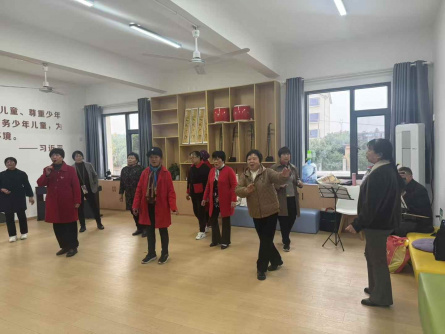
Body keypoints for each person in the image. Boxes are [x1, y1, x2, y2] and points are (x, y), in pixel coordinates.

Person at [346, 139, 404, 307]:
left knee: (377, 259)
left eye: (370, 150)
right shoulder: (385, 168)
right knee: (370, 255)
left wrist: (357, 224)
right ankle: (375, 288)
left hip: (378, 224)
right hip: (380, 221)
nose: (367, 152)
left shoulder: (381, 172)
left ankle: (382, 298)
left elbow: (372, 205)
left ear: (379, 154)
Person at [236, 149, 290, 280]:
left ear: (259, 160)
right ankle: (277, 260)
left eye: (254, 158)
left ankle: (261, 268)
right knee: (265, 240)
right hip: (255, 212)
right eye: (249, 159)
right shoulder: (245, 175)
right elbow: (237, 190)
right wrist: (245, 190)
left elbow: (278, 178)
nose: (251, 161)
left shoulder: (267, 172)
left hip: (270, 211)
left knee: (265, 241)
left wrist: (284, 175)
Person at [133, 147, 178, 265]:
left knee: (163, 230)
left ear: (161, 159)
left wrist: (173, 207)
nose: (153, 159)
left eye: (156, 157)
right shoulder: (145, 172)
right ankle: (151, 253)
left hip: (161, 207)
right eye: (151, 157)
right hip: (147, 207)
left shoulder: (166, 173)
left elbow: (170, 192)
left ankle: (165, 253)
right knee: (150, 231)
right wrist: (135, 205)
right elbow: (139, 190)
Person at [37, 148, 82, 257]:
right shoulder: (47, 169)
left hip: (68, 202)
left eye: (57, 155)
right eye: (52, 155)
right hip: (53, 203)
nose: (54, 157)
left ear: (62, 157)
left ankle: (73, 246)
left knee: (70, 225)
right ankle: (64, 246)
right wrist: (46, 174)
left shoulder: (70, 169)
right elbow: (40, 183)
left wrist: (77, 200)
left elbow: (76, 186)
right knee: (57, 225)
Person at [202, 151, 237, 250]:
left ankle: (225, 241)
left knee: (225, 220)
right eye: (214, 159)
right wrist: (204, 198)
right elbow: (208, 185)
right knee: (213, 219)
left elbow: (234, 185)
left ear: (223, 160)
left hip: (225, 200)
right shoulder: (212, 171)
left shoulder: (229, 170)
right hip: (214, 200)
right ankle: (216, 239)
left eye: (218, 159)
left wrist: (233, 199)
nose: (215, 161)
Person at [271, 147, 303, 252]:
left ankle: (285, 234)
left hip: (293, 197)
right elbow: (270, 184)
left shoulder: (293, 167)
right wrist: (279, 186)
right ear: (279, 156)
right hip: (281, 199)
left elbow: (297, 178)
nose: (286, 156)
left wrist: (299, 182)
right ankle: (286, 242)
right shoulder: (274, 168)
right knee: (284, 221)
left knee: (292, 218)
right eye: (284, 154)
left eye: (288, 154)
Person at [0, 157, 35, 242]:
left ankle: (24, 233)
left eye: (11, 161)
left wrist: (30, 196)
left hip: (19, 197)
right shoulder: (1, 174)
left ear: (15, 163)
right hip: (6, 198)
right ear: (5, 164)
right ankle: (12, 235)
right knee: (9, 217)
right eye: (7, 162)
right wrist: (2, 189)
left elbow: (27, 185)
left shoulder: (21, 173)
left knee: (21, 216)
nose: (9, 163)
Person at [394, 167, 434, 236]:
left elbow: (421, 210)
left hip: (422, 223)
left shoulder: (420, 189)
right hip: (411, 218)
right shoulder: (402, 188)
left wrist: (402, 210)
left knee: (397, 228)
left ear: (410, 176)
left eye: (403, 177)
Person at [72, 150, 104, 232]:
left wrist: (95, 186)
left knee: (94, 206)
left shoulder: (88, 165)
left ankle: (99, 223)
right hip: (78, 190)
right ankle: (82, 226)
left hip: (89, 188)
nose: (78, 157)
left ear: (82, 157)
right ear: (74, 158)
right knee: (80, 208)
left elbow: (95, 175)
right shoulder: (72, 167)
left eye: (80, 156)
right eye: (76, 156)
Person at [119, 152, 145, 237]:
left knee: (141, 212)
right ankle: (139, 228)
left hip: (139, 195)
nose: (130, 159)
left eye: (132, 158)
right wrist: (121, 193)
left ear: (136, 160)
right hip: (129, 195)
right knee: (133, 212)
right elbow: (122, 182)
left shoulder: (141, 169)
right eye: (128, 158)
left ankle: (145, 229)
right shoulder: (124, 169)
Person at [187, 151, 210, 240]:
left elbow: (208, 183)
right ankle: (205, 223)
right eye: (191, 158)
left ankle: (202, 231)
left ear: (199, 157)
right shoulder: (191, 168)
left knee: (201, 211)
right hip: (193, 193)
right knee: (196, 211)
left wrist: (207, 195)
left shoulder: (205, 168)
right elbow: (189, 181)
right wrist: (188, 191)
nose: (192, 159)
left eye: (193, 157)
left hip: (202, 193)